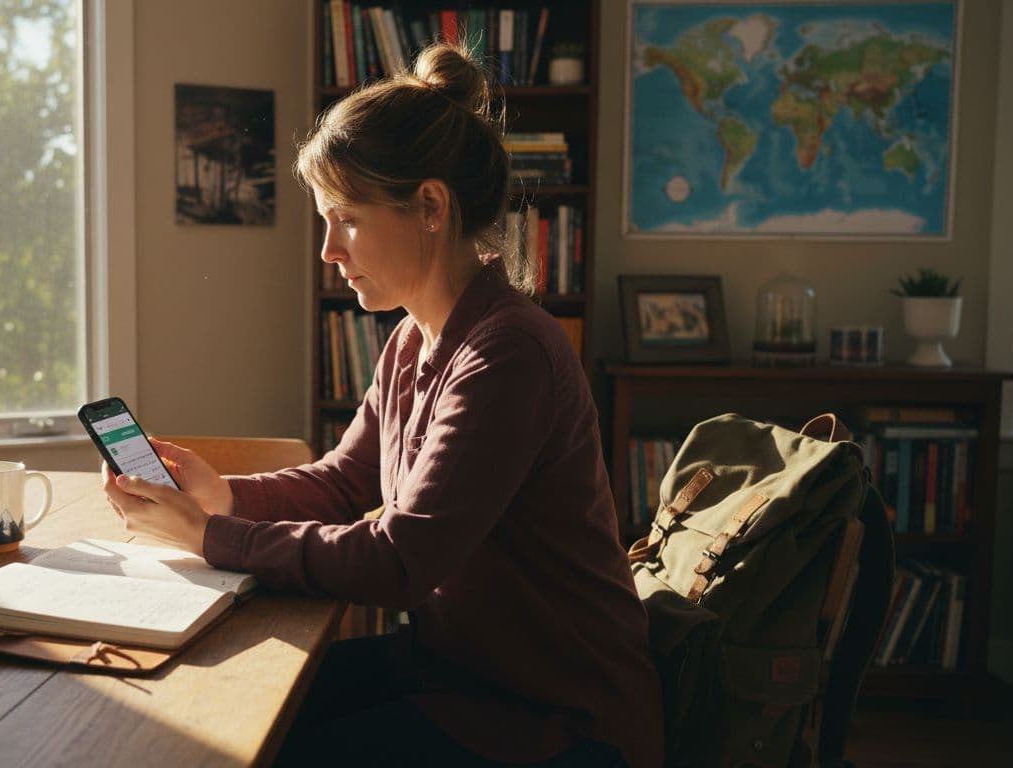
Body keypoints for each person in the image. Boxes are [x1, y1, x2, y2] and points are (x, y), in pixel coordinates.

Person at [102, 41, 662, 768]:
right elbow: (344, 481)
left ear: (430, 206)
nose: (328, 251)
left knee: (256, 747)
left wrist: (210, 536)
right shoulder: (410, 340)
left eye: (346, 219)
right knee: (225, 711)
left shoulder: (507, 353)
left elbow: (399, 561)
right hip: (459, 670)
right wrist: (225, 495)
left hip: (555, 714)